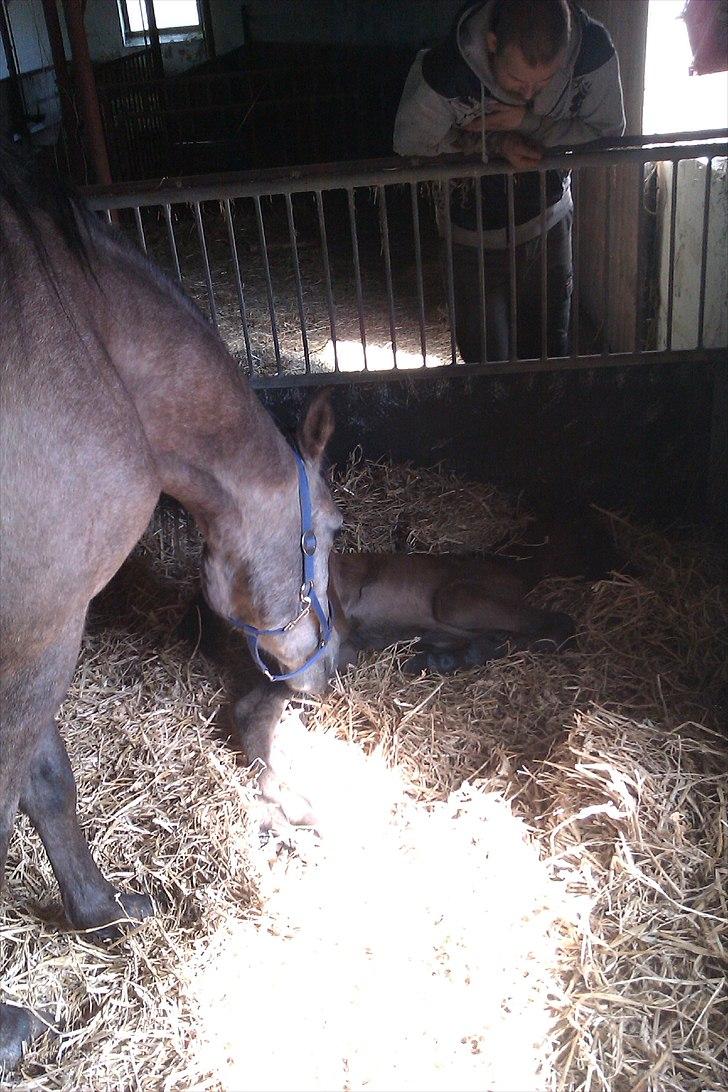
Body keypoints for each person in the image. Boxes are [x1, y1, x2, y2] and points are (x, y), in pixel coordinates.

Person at [393, 0, 625, 362]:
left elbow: (608, 131)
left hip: (548, 226)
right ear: (491, 42)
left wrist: (525, 123)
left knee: (549, 352)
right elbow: (412, 144)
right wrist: (495, 142)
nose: (529, 94)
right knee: (487, 363)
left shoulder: (592, 49)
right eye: (517, 80)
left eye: (545, 81)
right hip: (470, 238)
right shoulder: (445, 70)